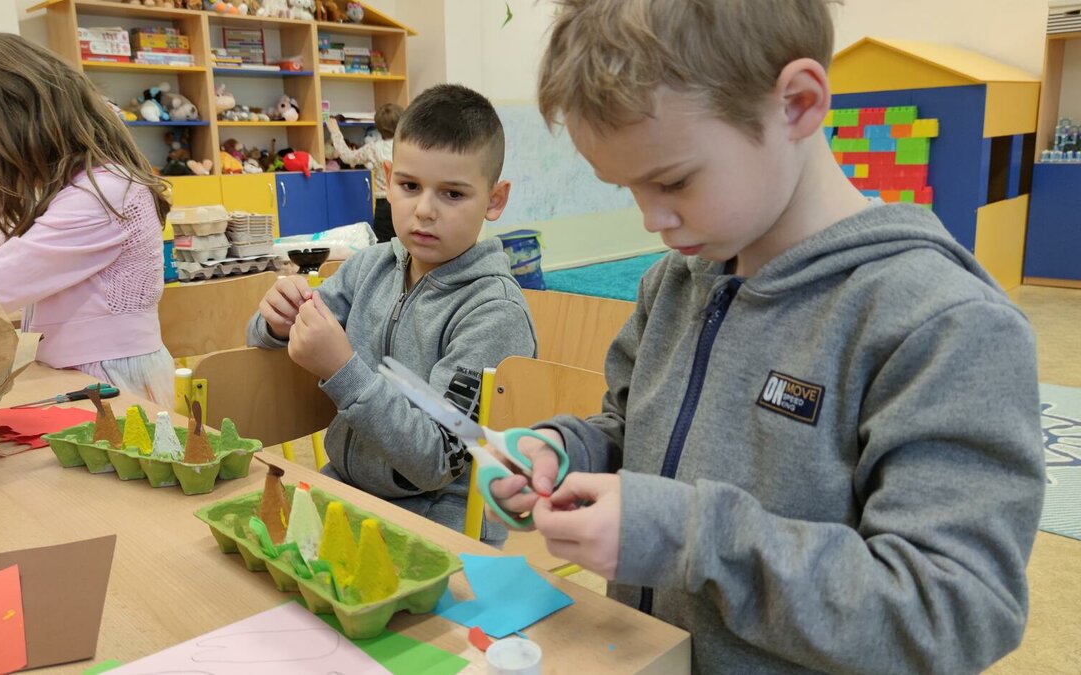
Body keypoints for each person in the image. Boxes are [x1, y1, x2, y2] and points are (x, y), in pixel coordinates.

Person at [490, 1, 1045, 672]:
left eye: (673, 181)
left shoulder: (944, 324)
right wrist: (566, 452)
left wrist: (690, 536)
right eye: (626, 186)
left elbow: (953, 612)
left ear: (798, 104)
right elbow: (635, 430)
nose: (650, 218)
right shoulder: (675, 283)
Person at [249, 85, 535, 547]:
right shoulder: (369, 266)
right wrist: (277, 322)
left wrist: (341, 368)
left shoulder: (494, 313)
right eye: (409, 186)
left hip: (439, 528)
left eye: (453, 193)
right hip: (346, 492)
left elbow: (436, 460)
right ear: (387, 179)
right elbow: (259, 337)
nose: (424, 210)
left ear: (494, 200)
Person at [0, 33, 174, 404]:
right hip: (90, 372)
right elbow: (2, 247)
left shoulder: (103, 194)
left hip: (109, 378)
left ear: (18, 127)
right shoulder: (86, 187)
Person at [325, 103, 403, 242]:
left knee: (384, 244)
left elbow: (348, 157)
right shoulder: (406, 146)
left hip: (383, 203)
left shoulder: (372, 148)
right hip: (404, 199)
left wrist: (335, 132)